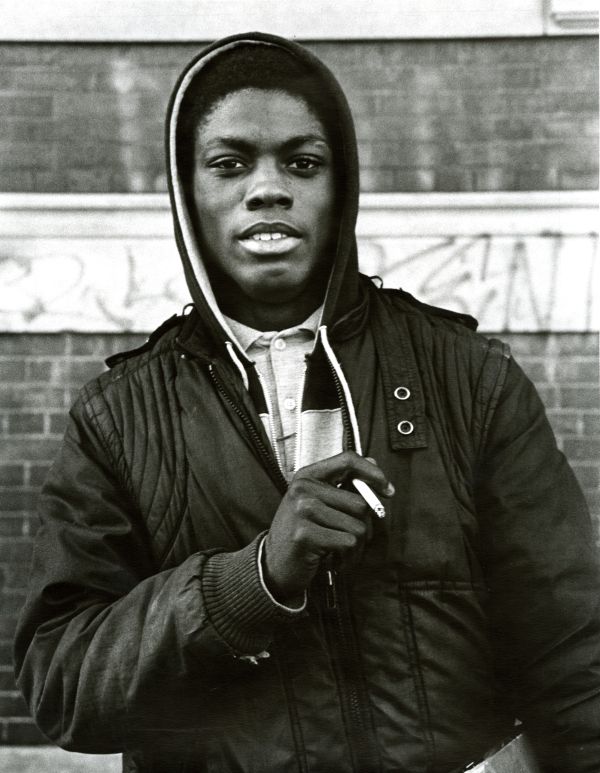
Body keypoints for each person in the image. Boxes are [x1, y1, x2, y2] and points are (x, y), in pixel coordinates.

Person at [14, 32, 600, 773]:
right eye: (229, 164)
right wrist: (248, 582)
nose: (268, 188)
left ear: (341, 185)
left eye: (302, 162)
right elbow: (63, 683)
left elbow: (575, 653)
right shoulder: (120, 416)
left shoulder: (468, 375)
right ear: (188, 193)